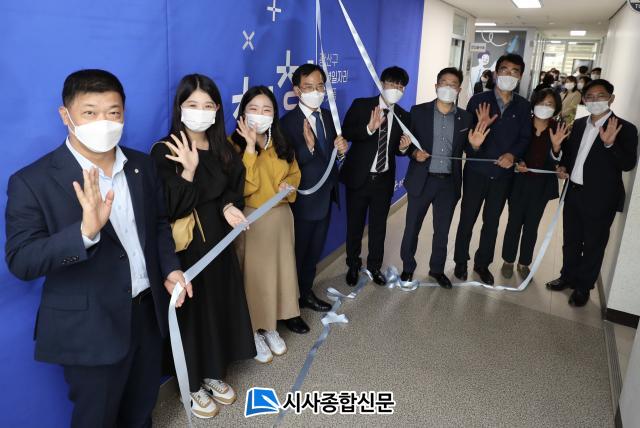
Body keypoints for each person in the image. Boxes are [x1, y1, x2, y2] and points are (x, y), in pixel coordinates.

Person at [4, 69, 192, 428]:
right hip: (89, 327)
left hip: (147, 314)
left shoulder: (141, 165)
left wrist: (169, 268)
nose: (103, 122)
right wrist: (84, 233)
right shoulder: (32, 181)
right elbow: (21, 260)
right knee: (97, 418)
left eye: (113, 112)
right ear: (66, 116)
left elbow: (157, 224)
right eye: (90, 112)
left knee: (141, 412)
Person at [150, 74, 255, 419]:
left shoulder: (223, 148)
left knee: (217, 308)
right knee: (193, 315)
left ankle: (212, 372)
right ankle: (191, 383)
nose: (200, 111)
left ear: (218, 109)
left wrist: (228, 207)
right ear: (180, 108)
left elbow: (234, 188)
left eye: (207, 105)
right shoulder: (166, 149)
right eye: (192, 104)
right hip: (188, 248)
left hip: (220, 243)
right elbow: (168, 207)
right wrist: (189, 171)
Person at [547, 79, 638, 306]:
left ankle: (583, 287)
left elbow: (628, 164)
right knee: (571, 240)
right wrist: (561, 164)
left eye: (601, 96)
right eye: (590, 97)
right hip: (574, 193)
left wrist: (610, 144)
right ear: (584, 100)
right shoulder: (579, 124)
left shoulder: (625, 128)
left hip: (601, 199)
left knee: (593, 245)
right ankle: (567, 276)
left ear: (611, 98)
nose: (595, 100)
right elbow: (569, 155)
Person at [230, 86, 302, 362]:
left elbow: (295, 174)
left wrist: (288, 186)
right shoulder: (232, 145)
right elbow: (243, 188)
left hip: (281, 219)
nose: (260, 115)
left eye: (266, 109)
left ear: (274, 114)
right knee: (254, 278)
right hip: (252, 221)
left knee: (279, 274)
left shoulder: (281, 143)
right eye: (254, 109)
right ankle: (253, 330)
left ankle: (270, 326)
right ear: (243, 113)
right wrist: (250, 149)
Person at [399, 67, 487, 288]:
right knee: (412, 227)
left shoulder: (465, 117)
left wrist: (475, 146)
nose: (448, 87)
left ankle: (437, 270)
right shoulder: (418, 112)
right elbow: (406, 143)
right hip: (422, 179)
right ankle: (407, 267)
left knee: (442, 230)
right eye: (444, 83)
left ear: (459, 89)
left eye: (453, 84)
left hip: (448, 182)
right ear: (436, 86)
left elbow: (469, 149)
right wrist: (413, 153)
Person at [280, 64, 348, 334]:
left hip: (326, 197)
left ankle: (306, 293)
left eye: (320, 86)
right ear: (297, 90)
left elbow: (331, 156)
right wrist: (307, 149)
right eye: (309, 87)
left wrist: (341, 151)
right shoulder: (286, 124)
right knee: (295, 256)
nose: (316, 92)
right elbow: (284, 165)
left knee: (313, 254)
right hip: (302, 202)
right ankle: (290, 308)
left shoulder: (328, 116)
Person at [453, 53, 532, 285]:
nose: (509, 74)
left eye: (515, 71)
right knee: (467, 218)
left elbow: (525, 138)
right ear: (496, 73)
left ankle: (482, 264)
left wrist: (512, 155)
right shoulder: (478, 100)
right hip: (476, 172)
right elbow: (466, 138)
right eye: (504, 70)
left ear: (520, 76)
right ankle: (460, 261)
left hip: (503, 175)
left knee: (492, 222)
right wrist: (475, 145)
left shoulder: (523, 105)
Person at [340, 66, 411, 286]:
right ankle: (353, 264)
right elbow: (346, 132)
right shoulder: (362, 105)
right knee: (354, 225)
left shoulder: (403, 116)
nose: (396, 88)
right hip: (359, 179)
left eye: (400, 86)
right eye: (392, 83)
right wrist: (369, 129)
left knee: (379, 227)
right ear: (382, 84)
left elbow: (399, 150)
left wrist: (404, 148)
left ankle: (374, 266)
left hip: (384, 181)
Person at [501, 88, 568, 278]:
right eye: (541, 103)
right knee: (514, 223)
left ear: (556, 107)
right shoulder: (524, 124)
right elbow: (513, 149)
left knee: (532, 225)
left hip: (542, 186)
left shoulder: (559, 128)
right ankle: (508, 260)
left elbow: (561, 159)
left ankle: (524, 263)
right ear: (534, 104)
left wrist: (556, 148)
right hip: (518, 183)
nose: (544, 107)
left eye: (549, 104)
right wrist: (518, 162)